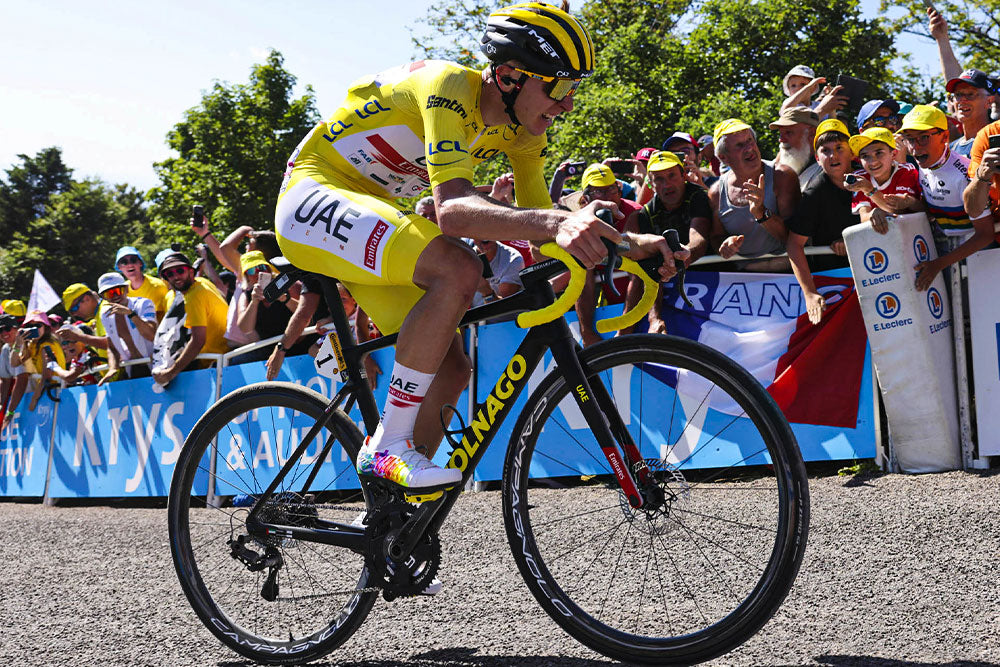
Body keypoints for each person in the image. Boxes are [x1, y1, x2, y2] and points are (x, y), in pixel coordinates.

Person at [273, 2, 683, 494]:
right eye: (559, 86)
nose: (568, 104)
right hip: (313, 193)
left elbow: (543, 226)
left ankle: (389, 525)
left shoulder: (523, 133)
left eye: (574, 88)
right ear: (509, 76)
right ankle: (388, 446)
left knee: (449, 369)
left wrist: (630, 242)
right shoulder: (448, 89)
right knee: (456, 266)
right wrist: (559, 223)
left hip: (376, 210)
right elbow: (453, 213)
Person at [893, 106, 996, 290]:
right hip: (948, 257)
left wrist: (938, 264)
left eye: (923, 138)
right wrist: (911, 204)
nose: (915, 147)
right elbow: (933, 212)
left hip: (978, 260)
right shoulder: (922, 165)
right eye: (909, 139)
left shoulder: (963, 172)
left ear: (945, 137)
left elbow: (985, 234)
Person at [621, 151, 710, 334]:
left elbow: (699, 237)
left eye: (671, 176)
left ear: (683, 176)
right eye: (659, 179)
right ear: (651, 184)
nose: (667, 184)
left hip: (709, 272)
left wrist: (685, 253)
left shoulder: (697, 196)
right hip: (667, 273)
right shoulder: (646, 213)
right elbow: (645, 265)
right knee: (643, 267)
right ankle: (633, 328)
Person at [785, 119, 858, 323]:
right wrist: (810, 294)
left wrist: (853, 240)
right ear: (817, 159)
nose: (833, 155)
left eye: (839, 148)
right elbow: (793, 244)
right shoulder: (814, 193)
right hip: (836, 282)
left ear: (852, 152)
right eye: (825, 150)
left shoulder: (869, 176)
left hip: (874, 272)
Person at [709, 119, 798, 264]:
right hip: (742, 280)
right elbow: (715, 237)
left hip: (787, 275)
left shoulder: (782, 176)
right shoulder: (716, 193)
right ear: (723, 157)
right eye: (740, 145)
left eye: (750, 140)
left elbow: (793, 237)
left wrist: (761, 213)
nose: (749, 147)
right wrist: (725, 244)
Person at [573, 163, 643, 346]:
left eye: (611, 189)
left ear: (619, 190)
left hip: (642, 304)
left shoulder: (634, 213)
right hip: (611, 305)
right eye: (599, 191)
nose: (608, 197)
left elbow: (637, 275)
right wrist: (586, 331)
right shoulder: (579, 222)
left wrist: (624, 329)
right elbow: (583, 282)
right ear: (586, 199)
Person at [151, 251, 229, 386]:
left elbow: (198, 340)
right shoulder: (203, 282)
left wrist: (170, 373)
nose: (175, 276)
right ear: (166, 279)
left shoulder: (193, 297)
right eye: (170, 274)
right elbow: (222, 295)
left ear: (191, 272)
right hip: (222, 358)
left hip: (218, 363)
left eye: (180, 270)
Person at [844, 127, 922, 234]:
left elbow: (899, 210)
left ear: (893, 154)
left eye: (879, 153)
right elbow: (864, 217)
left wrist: (869, 190)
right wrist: (874, 214)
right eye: (865, 156)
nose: (873, 162)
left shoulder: (906, 170)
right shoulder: (860, 177)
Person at [234, 250, 301, 361]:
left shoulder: (287, 284)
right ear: (247, 276)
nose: (257, 273)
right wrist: (254, 302)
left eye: (262, 267)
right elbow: (245, 328)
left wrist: (285, 299)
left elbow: (307, 315)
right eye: (251, 270)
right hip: (269, 352)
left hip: (296, 345)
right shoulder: (246, 295)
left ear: (269, 269)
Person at [95, 272, 156, 381]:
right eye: (109, 293)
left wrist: (131, 314)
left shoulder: (143, 304)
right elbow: (112, 346)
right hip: (133, 368)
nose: (115, 296)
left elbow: (151, 335)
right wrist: (113, 367)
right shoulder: (105, 315)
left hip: (156, 364)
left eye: (118, 291)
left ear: (126, 289)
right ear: (103, 297)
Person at [945, 69, 995, 159]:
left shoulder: (996, 140)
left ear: (989, 101)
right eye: (958, 94)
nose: (962, 100)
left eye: (970, 94)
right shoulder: (950, 150)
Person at [115, 246, 170, 321]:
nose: (130, 265)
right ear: (119, 267)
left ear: (140, 263)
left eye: (133, 260)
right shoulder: (121, 290)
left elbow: (159, 318)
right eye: (124, 262)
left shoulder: (157, 286)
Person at [770, 106, 821, 186]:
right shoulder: (779, 166)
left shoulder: (826, 170)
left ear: (812, 133)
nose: (781, 140)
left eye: (788, 132)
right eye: (780, 134)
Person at [57, 284, 109, 356]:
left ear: (87, 298)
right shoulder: (98, 315)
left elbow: (110, 344)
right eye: (71, 312)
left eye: (74, 309)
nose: (74, 314)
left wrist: (77, 337)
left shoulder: (105, 312)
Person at [0, 313, 29, 430]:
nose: (3, 333)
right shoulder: (6, 348)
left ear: (16, 329)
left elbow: (22, 380)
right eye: (0, 330)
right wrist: (2, 406)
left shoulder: (24, 344)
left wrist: (10, 412)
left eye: (7, 328)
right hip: (23, 396)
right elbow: (5, 380)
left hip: (36, 394)